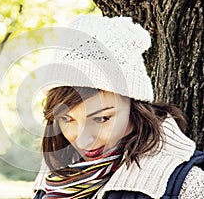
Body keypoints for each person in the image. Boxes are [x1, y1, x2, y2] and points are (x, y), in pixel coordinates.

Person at [32, 15, 204, 198]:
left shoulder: (188, 184)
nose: (83, 140)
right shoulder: (56, 175)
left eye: (101, 118)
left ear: (135, 108)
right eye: (67, 119)